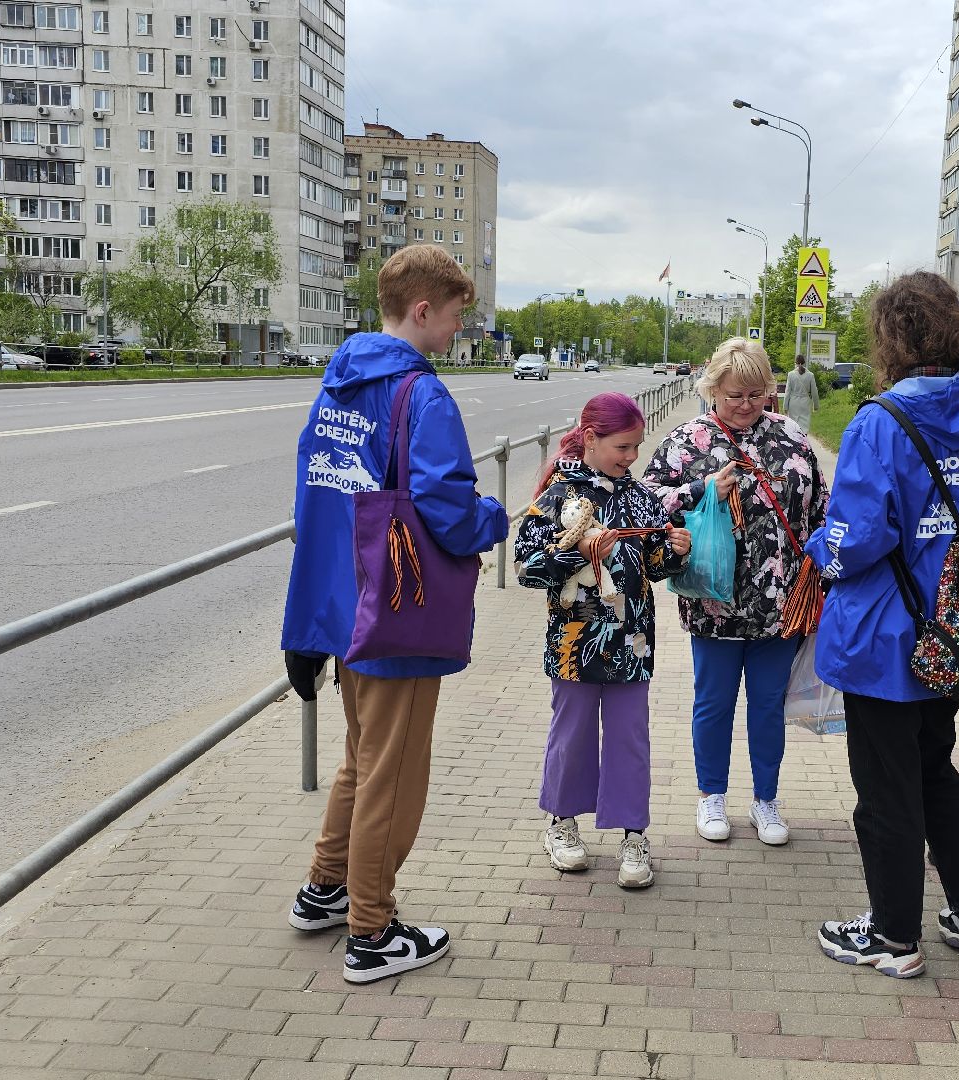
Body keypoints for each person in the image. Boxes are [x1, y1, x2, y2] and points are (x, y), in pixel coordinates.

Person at [281, 244, 509, 984]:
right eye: (452, 319)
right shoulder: (422, 394)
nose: (454, 334)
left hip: (348, 611)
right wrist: (494, 520)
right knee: (395, 774)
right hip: (399, 612)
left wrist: (305, 625)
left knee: (360, 760)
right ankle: (371, 931)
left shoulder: (336, 388)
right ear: (421, 310)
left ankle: (326, 889)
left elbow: (316, 508)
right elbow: (447, 507)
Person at [802, 272, 959, 979]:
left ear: (889, 336)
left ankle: (893, 937)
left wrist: (815, 545)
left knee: (886, 790)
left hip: (885, 638)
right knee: (935, 771)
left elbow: (856, 536)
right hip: (955, 627)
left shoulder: (879, 421)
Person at [643, 338, 829, 847]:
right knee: (713, 703)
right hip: (713, 602)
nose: (746, 405)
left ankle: (766, 800)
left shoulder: (791, 438)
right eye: (734, 396)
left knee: (768, 705)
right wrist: (701, 490)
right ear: (712, 391)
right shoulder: (688, 441)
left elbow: (821, 510)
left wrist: (827, 571)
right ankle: (712, 796)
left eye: (755, 394)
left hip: (779, 604)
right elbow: (647, 501)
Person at [516, 393, 692, 888]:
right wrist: (577, 553)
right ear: (590, 439)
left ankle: (634, 835)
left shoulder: (639, 496)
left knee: (630, 740)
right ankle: (562, 824)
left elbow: (653, 564)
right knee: (571, 736)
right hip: (573, 642)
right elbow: (526, 568)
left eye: (636, 447)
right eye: (622, 447)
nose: (631, 457)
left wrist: (675, 551)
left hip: (632, 642)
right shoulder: (557, 495)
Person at [784, 354, 819, 434]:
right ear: (804, 363)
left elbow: (787, 392)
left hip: (793, 402)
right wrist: (815, 406)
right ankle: (803, 440)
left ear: (795, 363)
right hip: (805, 402)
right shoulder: (810, 375)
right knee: (804, 424)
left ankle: (794, 440)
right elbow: (814, 392)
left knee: (794, 423)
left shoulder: (791, 374)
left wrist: (785, 406)